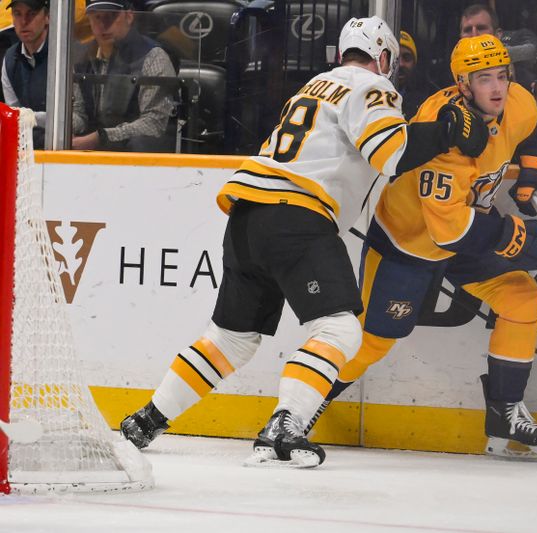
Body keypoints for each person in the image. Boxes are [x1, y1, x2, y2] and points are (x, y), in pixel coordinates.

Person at [119, 16, 489, 468]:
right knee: (340, 327)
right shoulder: (372, 86)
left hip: (246, 216)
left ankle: (148, 417)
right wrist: (445, 130)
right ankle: (286, 423)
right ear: (384, 57)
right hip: (296, 217)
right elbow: (390, 154)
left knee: (231, 338)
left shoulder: (312, 86)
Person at [306, 35, 537, 461]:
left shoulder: (515, 101)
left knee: (521, 297)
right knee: (371, 342)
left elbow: (534, 124)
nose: (498, 88)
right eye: (485, 79)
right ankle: (299, 408)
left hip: (466, 228)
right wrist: (519, 239)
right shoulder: (444, 133)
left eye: (503, 76)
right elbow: (448, 232)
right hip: (411, 242)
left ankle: (504, 412)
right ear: (463, 85)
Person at [71, 0, 176, 152]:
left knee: (140, 144)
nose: (103, 25)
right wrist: (62, 127)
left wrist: (102, 138)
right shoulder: (81, 59)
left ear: (129, 16)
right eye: (97, 17)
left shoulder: (153, 56)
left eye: (111, 16)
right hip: (93, 151)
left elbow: (154, 124)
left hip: (135, 158)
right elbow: (80, 114)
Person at [2, 0, 49, 148]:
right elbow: (14, 114)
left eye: (32, 14)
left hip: (64, 147)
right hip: (28, 147)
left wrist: (30, 118)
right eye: (18, 14)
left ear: (47, 16)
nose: (24, 21)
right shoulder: (10, 58)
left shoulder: (65, 54)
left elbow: (72, 120)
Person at [397, 30, 428, 119]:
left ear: (414, 63)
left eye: (406, 58)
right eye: (396, 57)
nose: (401, 64)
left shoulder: (425, 102)